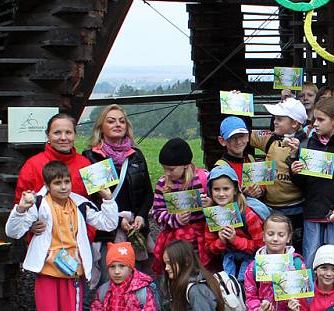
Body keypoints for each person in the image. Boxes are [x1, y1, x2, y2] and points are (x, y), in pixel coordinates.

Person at [5, 160, 118, 311]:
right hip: (46, 273)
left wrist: (108, 198)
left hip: (72, 275)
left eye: (66, 182)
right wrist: (21, 208)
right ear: (48, 184)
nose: (64, 187)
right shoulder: (37, 203)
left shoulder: (81, 204)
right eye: (58, 183)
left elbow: (108, 223)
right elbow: (13, 231)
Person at [83, 104, 154, 288]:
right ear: (101, 127)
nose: (117, 124)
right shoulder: (92, 157)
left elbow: (147, 192)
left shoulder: (136, 156)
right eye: (111, 121)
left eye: (122, 121)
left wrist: (141, 216)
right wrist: (117, 218)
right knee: (111, 279)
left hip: (135, 228)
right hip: (108, 231)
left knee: (141, 277)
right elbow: (94, 199)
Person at [288, 96, 334, 265]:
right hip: (312, 211)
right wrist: (295, 170)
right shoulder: (308, 144)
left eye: (321, 119)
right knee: (310, 257)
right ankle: (311, 291)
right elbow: (302, 183)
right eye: (314, 118)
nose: (315, 123)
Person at [244, 213, 305, 311]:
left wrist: (297, 305)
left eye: (281, 235)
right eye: (271, 234)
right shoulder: (254, 266)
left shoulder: (296, 263)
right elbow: (250, 296)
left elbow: (305, 292)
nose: (275, 239)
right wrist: (259, 309)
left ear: (288, 237)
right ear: (264, 236)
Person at [251, 97, 307, 245]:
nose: (275, 121)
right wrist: (235, 106)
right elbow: (243, 135)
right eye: (275, 118)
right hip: (271, 209)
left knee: (295, 248)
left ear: (295, 123)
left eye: (280, 119)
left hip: (297, 210)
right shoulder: (268, 139)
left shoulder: (307, 144)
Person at [150, 138, 208, 276]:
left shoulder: (203, 179)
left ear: (186, 165)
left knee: (202, 273)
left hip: (201, 240)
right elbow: (157, 212)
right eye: (164, 168)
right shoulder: (163, 184)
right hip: (176, 241)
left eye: (171, 169)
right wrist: (175, 219)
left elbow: (220, 205)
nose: (167, 173)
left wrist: (209, 204)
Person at [201, 164, 264, 280]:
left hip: (252, 261)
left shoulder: (248, 215)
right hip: (229, 260)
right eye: (216, 189)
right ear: (210, 191)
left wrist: (235, 240)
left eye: (226, 189)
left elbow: (261, 246)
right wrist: (221, 241)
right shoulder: (213, 214)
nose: (221, 194)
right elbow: (209, 248)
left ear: (235, 189)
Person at [16, 113, 92, 204]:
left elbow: (93, 200)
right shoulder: (33, 165)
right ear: (48, 135)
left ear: (75, 134)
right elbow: (20, 203)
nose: (63, 138)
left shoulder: (85, 164)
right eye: (57, 133)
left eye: (68, 132)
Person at [215, 115, 264, 199]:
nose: (238, 141)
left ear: (248, 136)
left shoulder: (250, 159)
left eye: (241, 136)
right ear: (222, 141)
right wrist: (243, 194)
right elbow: (221, 197)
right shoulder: (221, 167)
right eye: (232, 138)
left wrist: (259, 190)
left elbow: (261, 183)